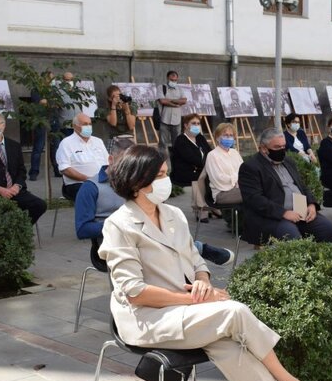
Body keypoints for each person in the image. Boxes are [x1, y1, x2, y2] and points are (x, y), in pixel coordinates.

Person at [98, 146, 332, 381]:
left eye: (165, 173)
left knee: (230, 346)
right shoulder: (118, 225)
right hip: (147, 319)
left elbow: (197, 262)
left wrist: (202, 281)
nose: (166, 180)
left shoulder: (173, 214)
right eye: (159, 176)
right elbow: (134, 293)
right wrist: (200, 299)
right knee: (234, 312)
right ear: (137, 182)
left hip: (184, 312)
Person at [75, 136, 232, 271]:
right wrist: (120, 223)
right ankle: (196, 249)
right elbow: (82, 229)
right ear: (111, 159)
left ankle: (192, 256)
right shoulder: (91, 188)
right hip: (114, 244)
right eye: (124, 163)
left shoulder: (141, 182)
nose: (130, 169)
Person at [239, 128, 332, 245]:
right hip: (272, 217)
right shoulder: (250, 167)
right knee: (292, 237)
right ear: (263, 148)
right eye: (277, 147)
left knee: (330, 230)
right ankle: (295, 261)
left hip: (300, 212)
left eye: (283, 146)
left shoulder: (287, 161)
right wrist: (283, 213)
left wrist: (312, 204)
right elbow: (254, 199)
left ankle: (314, 261)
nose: (282, 150)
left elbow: (302, 186)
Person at [0, 111, 47, 225]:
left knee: (40, 205)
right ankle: (10, 233)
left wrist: (17, 185)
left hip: (15, 191)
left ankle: (20, 230)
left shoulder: (14, 146)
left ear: (3, 125)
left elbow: (21, 170)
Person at [55, 112, 109, 201]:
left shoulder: (98, 141)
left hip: (102, 181)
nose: (88, 127)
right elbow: (65, 169)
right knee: (96, 196)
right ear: (75, 126)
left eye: (90, 124)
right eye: (85, 124)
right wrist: (89, 179)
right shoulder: (66, 143)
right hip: (79, 183)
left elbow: (107, 162)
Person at [171, 114, 212, 221]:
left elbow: (210, 153)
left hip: (201, 168)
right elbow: (191, 158)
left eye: (198, 123)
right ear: (186, 125)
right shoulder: (181, 140)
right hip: (184, 171)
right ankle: (202, 209)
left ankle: (211, 206)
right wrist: (208, 166)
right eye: (193, 123)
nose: (197, 126)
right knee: (200, 177)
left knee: (209, 175)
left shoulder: (200, 138)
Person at [205, 123, 244, 205]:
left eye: (231, 135)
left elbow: (244, 171)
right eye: (226, 135)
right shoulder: (212, 155)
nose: (229, 138)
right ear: (217, 137)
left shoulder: (234, 152)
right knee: (253, 194)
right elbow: (219, 178)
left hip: (239, 189)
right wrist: (237, 179)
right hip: (222, 193)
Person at [156, 70, 188, 166]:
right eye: (171, 79)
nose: (173, 81)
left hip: (177, 120)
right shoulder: (161, 87)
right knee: (163, 144)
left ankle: (176, 164)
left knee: (177, 144)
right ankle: (163, 164)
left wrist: (170, 100)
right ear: (167, 78)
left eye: (175, 79)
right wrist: (175, 104)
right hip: (164, 119)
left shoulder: (180, 89)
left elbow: (184, 100)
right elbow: (162, 101)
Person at [50, 71, 78, 177]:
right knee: (61, 148)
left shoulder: (78, 91)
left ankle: (74, 167)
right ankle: (59, 170)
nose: (69, 82)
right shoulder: (58, 91)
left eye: (71, 80)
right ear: (62, 80)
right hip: (63, 125)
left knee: (74, 148)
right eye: (66, 80)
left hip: (76, 125)